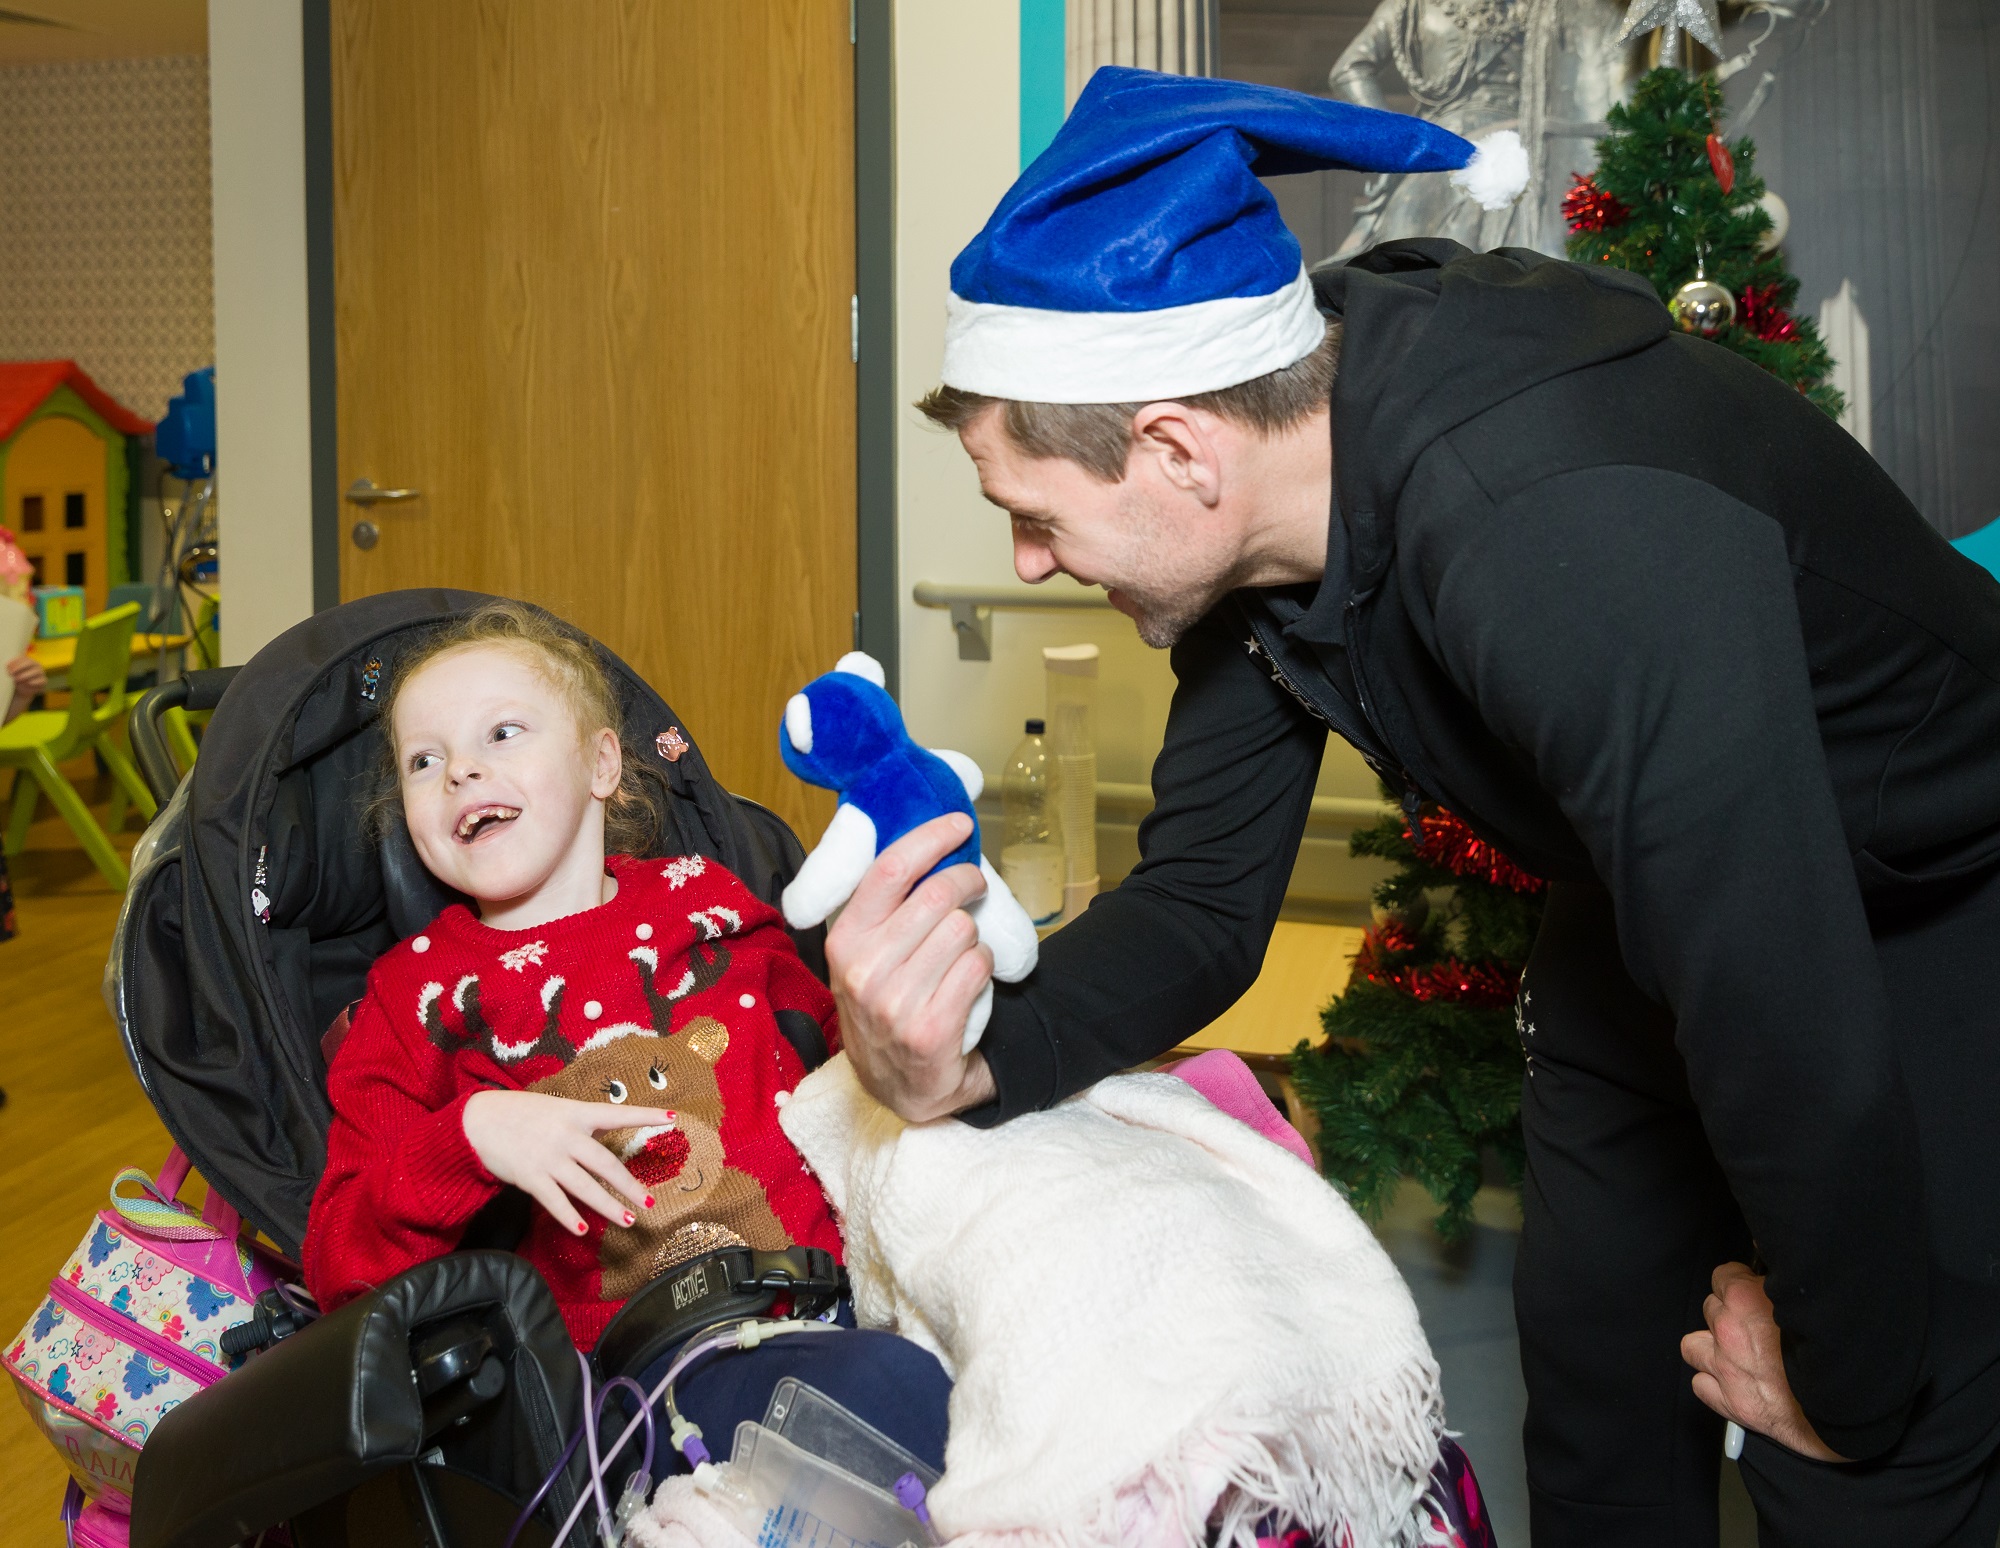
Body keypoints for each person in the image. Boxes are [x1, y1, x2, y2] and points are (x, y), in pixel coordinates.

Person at [825, 67, 2000, 1548]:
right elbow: (1200, 903)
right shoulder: (1267, 512)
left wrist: (1849, 1394)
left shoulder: (1551, 526)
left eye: (1035, 514)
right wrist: (967, 1058)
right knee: (1598, 1400)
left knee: (1858, 1451)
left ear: (1177, 449)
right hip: (1655, 902)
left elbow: (1781, 1004)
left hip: (1933, 900)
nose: (1032, 561)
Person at [302, 600, 949, 1471]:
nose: (460, 771)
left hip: (852, 1286)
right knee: (900, 1404)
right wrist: (472, 1137)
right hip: (657, 1373)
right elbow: (339, 1259)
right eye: (425, 760)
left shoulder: (701, 894)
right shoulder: (414, 995)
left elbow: (845, 1051)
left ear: (602, 763)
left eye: (501, 733)